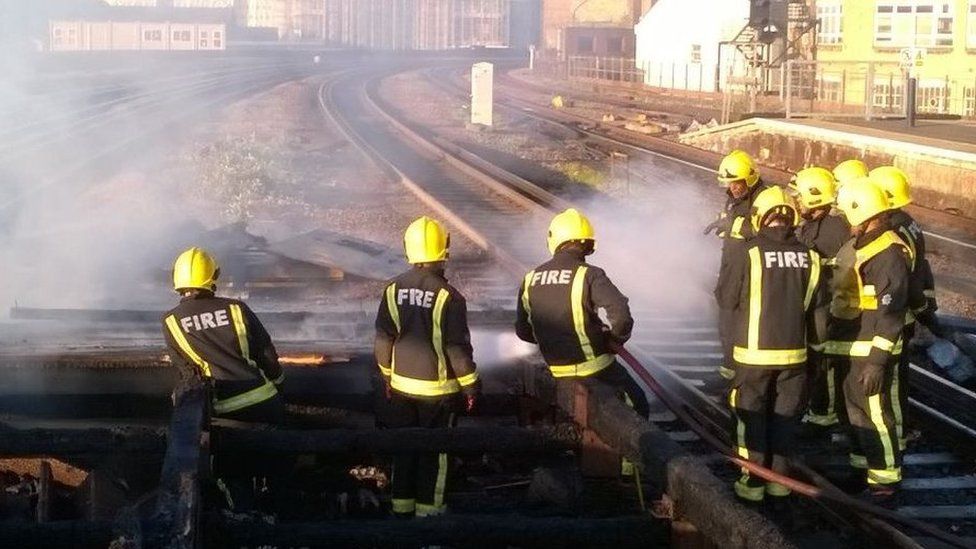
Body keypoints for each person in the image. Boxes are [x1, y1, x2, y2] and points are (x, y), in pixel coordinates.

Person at [715, 186, 825, 504]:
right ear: (791, 218)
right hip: (796, 356)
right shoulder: (811, 257)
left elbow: (726, 298)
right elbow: (818, 314)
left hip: (752, 355)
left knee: (750, 415)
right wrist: (815, 356)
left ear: (760, 217)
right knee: (785, 419)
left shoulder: (746, 252)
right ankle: (780, 484)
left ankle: (752, 484)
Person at [162, 246, 285, 510]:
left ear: (177, 280)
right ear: (214, 275)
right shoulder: (236, 308)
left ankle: (244, 523)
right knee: (275, 470)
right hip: (266, 404)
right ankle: (279, 521)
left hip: (226, 414)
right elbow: (267, 354)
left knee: (233, 475)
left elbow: (188, 374)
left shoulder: (171, 321)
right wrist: (279, 382)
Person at [374, 216, 479, 518]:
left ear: (409, 249)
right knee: (436, 453)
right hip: (439, 392)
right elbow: (456, 349)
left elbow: (383, 340)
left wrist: (387, 375)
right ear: (443, 249)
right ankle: (430, 516)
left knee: (405, 448)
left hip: (402, 388)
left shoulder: (392, 289)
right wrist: (471, 386)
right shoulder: (450, 297)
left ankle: (401, 510)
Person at [515, 208, 648, 418]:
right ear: (587, 245)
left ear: (554, 241)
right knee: (638, 404)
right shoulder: (590, 274)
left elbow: (523, 331)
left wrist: (552, 340)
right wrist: (612, 340)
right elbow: (621, 314)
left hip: (557, 370)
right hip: (595, 369)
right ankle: (631, 452)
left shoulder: (530, 278)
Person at [834, 179, 911, 498]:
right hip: (857, 347)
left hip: (872, 353)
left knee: (876, 416)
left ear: (862, 213)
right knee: (855, 412)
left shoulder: (888, 253)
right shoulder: (868, 246)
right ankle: (862, 469)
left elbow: (890, 313)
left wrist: (878, 363)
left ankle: (885, 483)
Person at [869, 166, 940, 450]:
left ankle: (898, 434)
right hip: (905, 311)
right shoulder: (907, 221)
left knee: (895, 381)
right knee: (897, 377)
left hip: (898, 313)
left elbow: (904, 276)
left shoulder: (894, 229)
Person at [791, 167, 851, 429]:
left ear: (814, 198)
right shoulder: (817, 224)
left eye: (800, 197)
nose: (797, 201)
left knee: (823, 359)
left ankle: (823, 415)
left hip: (828, 306)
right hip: (820, 304)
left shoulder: (833, 230)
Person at [708, 151, 771, 380]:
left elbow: (760, 228)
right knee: (726, 313)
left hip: (748, 269)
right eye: (730, 183)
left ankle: (740, 370)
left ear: (750, 178)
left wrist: (731, 224)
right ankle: (729, 368)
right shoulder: (734, 197)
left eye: (737, 182)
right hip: (731, 266)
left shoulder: (764, 198)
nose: (733, 187)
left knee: (742, 319)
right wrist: (724, 222)